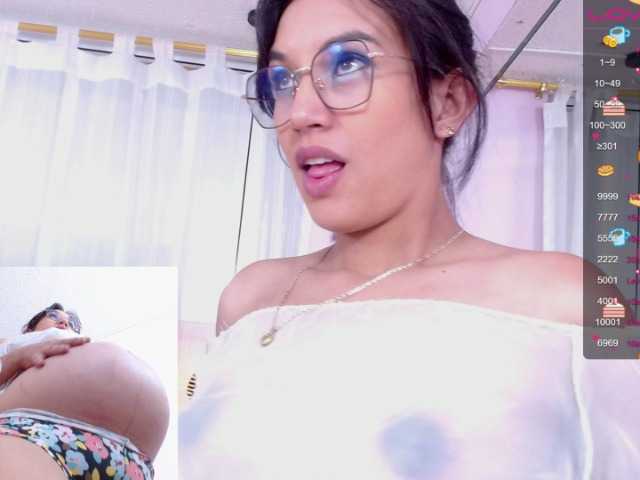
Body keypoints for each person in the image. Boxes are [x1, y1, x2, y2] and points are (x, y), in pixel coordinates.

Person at [180, 0, 640, 478]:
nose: (300, 113)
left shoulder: (564, 303)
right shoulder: (250, 300)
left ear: (448, 103)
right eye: (282, 81)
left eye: (347, 65)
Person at [0, 303, 170, 480]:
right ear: (28, 328)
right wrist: (16, 357)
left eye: (71, 322)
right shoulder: (10, 343)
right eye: (53, 316)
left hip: (134, 461)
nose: (64, 322)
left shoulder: (81, 343)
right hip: (35, 433)